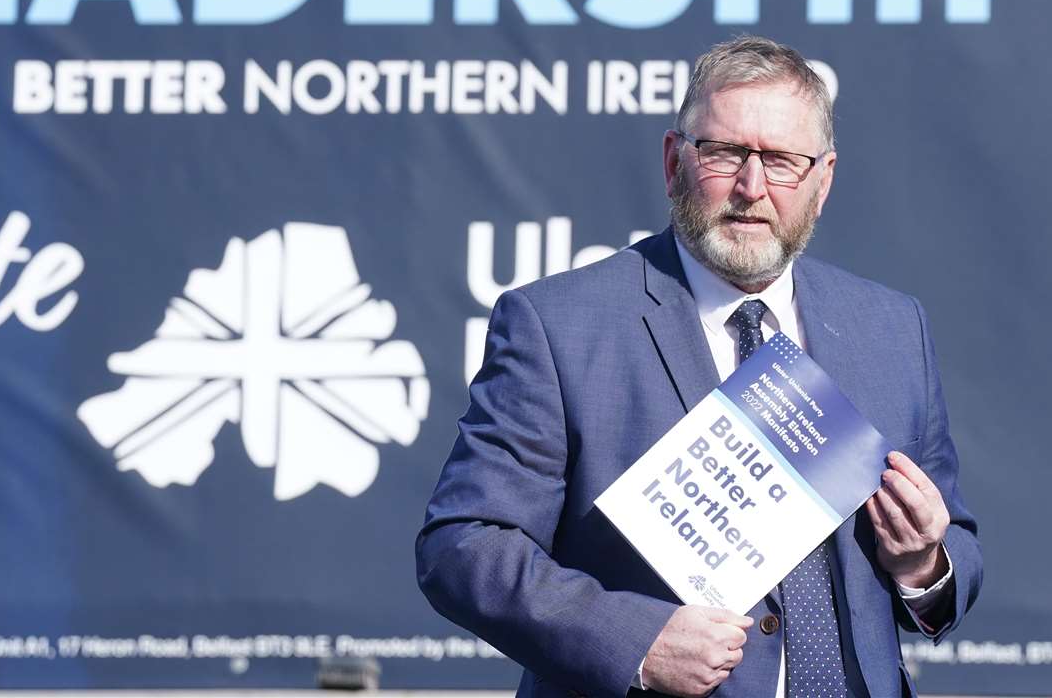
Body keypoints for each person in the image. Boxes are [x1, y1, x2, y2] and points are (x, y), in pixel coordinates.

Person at [417, 36, 981, 698]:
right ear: (672, 161)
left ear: (821, 181)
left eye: (780, 161)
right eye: (723, 153)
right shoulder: (559, 326)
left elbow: (955, 554)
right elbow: (463, 547)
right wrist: (633, 640)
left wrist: (921, 562)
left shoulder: (889, 329)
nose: (750, 186)